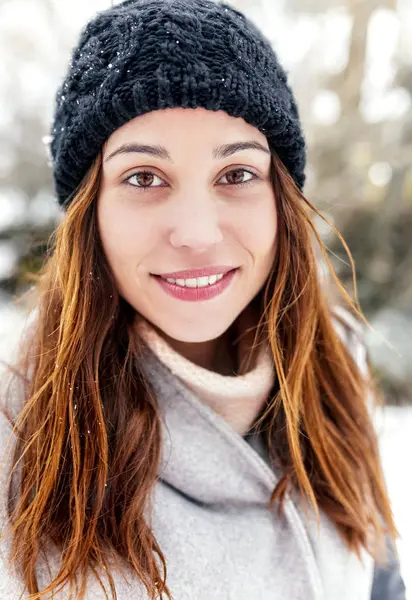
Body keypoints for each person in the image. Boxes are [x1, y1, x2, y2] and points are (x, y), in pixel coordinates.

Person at [0, 0, 407, 599]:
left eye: (236, 174)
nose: (196, 231)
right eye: (144, 178)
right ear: (91, 214)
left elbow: (381, 579)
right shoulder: (19, 431)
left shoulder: (335, 371)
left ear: (280, 198)